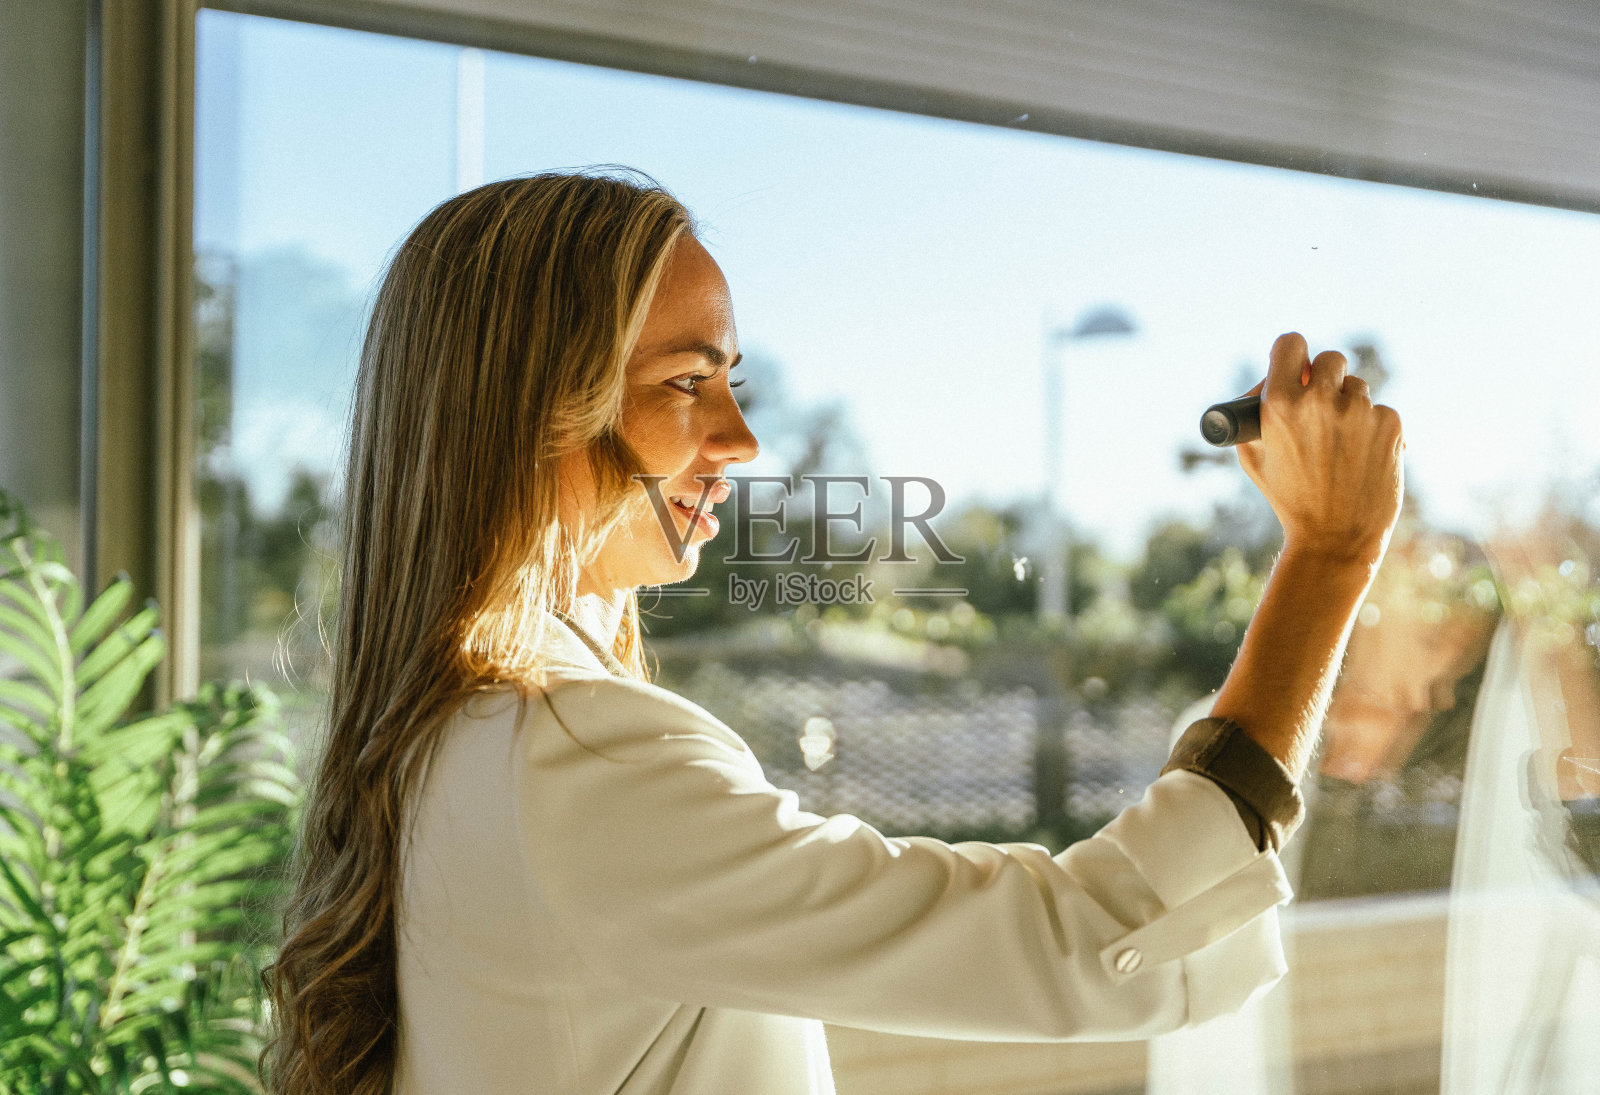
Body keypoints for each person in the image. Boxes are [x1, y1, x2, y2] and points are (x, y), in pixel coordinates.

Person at [264, 170, 1405, 1095]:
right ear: (533, 413)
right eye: (686, 382)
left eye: (733, 380)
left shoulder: (442, 738)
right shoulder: (577, 760)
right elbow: (1089, 940)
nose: (743, 436)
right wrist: (1329, 555)